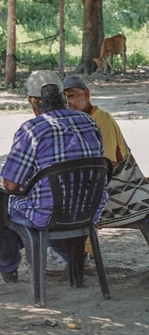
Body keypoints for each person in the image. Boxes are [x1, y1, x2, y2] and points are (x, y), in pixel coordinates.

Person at [0, 70, 108, 282]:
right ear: (63, 96)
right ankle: (76, 256)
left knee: (10, 205)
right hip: (88, 210)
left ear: (33, 102)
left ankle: (0, 260)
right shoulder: (88, 122)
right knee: (51, 204)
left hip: (48, 215)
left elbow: (11, 184)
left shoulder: (32, 129)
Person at [56, 75, 149, 268]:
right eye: (65, 97)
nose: (69, 102)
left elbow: (103, 165)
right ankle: (75, 255)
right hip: (97, 186)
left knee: (70, 207)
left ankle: (80, 255)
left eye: (72, 96)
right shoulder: (76, 121)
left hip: (120, 190)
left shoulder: (102, 119)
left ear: (87, 94)